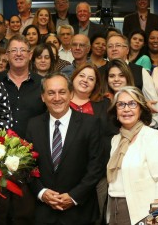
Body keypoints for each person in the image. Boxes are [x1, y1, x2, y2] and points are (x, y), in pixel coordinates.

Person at [28, 73, 104, 224]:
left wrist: (74, 196)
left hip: (80, 213)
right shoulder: (33, 125)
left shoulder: (91, 124)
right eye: (51, 93)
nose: (57, 98)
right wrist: (42, 193)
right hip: (44, 213)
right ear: (43, 97)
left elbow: (96, 167)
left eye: (62, 92)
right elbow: (28, 166)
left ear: (71, 94)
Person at [106, 86, 158, 224]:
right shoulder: (116, 140)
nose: (126, 109)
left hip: (144, 210)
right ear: (116, 112)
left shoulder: (151, 136)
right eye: (121, 104)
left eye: (132, 104)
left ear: (140, 109)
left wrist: (156, 211)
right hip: (115, 208)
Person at [68, 63, 117, 224]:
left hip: (98, 173)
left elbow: (111, 136)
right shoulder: (60, 102)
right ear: (73, 77)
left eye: (91, 78)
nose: (85, 80)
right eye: (81, 76)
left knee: (97, 217)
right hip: (66, 173)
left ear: (96, 84)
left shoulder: (104, 105)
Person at [102, 34, 158, 128]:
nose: (114, 49)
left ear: (127, 50)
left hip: (137, 130)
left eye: (118, 45)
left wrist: (146, 127)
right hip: (106, 129)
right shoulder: (99, 72)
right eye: (110, 46)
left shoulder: (140, 71)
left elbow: (153, 103)